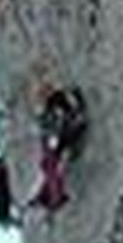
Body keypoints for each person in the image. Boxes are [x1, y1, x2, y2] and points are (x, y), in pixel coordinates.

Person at [28, 82, 87, 213]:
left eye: (43, 94)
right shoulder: (50, 107)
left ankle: (51, 197)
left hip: (65, 133)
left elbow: (65, 117)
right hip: (62, 135)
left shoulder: (56, 101)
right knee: (48, 166)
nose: (42, 98)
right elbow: (51, 125)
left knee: (50, 165)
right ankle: (45, 196)